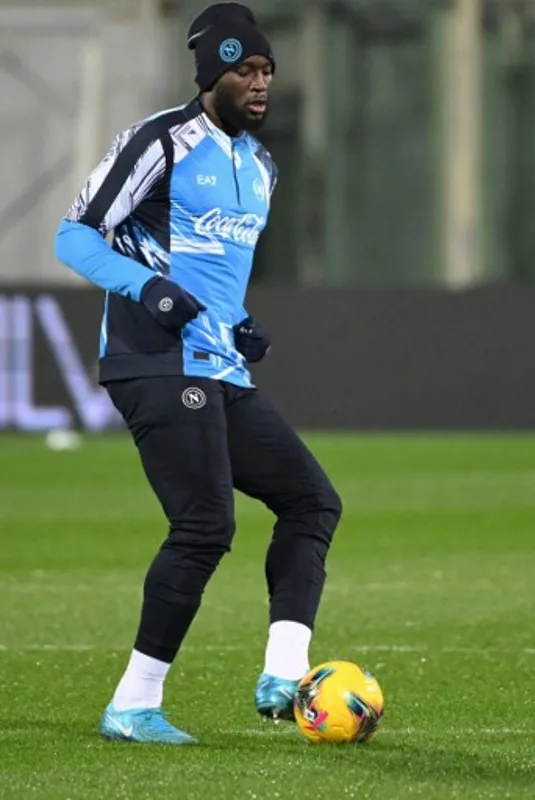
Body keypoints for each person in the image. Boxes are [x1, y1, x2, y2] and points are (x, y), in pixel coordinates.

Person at [53, 2, 341, 745]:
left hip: (216, 364)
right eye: (246, 69)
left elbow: (213, 275)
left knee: (312, 502)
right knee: (206, 524)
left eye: (268, 72)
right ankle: (133, 704)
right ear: (213, 72)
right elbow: (73, 236)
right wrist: (146, 287)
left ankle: (285, 672)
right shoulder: (161, 142)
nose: (261, 83)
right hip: (152, 361)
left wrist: (236, 324)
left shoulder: (264, 165)